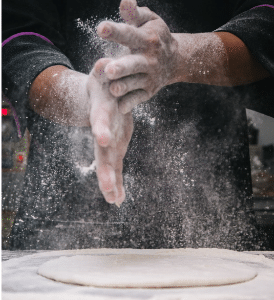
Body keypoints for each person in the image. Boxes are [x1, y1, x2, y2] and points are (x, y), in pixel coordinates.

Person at [2, 0, 274, 250]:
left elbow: (266, 19)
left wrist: (181, 56)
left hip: (212, 216)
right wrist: (86, 96)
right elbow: (20, 40)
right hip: (63, 224)